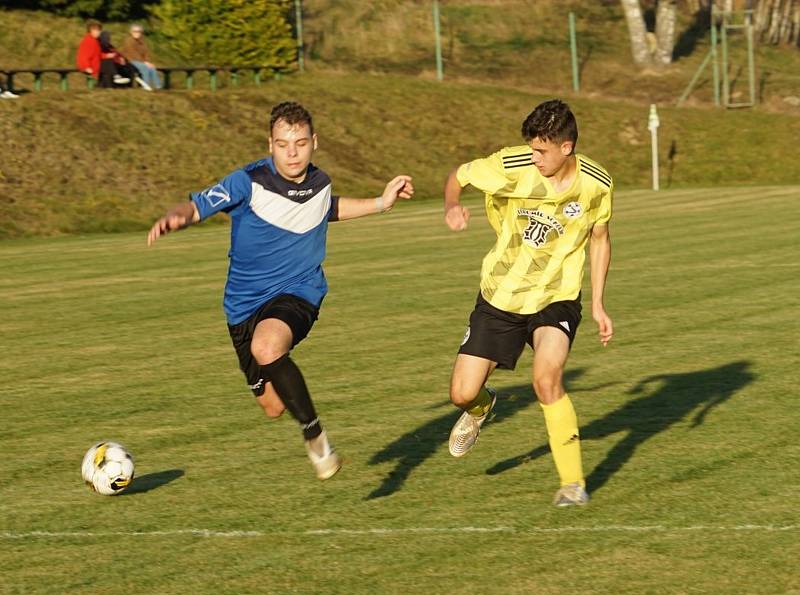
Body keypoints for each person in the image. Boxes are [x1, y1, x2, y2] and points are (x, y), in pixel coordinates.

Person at [147, 101, 414, 480]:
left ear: (314, 142)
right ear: (269, 143)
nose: (292, 153)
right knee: (272, 406)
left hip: (299, 292)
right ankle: (296, 412)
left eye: (301, 143)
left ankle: (317, 439)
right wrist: (179, 216)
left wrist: (380, 203)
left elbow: (325, 207)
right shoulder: (247, 181)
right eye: (283, 144)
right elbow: (198, 206)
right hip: (241, 307)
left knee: (267, 347)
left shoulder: (320, 183)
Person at [442, 99, 613, 507]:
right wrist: (451, 205)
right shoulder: (510, 165)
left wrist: (599, 304)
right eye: (532, 149)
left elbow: (601, 239)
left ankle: (573, 485)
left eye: (542, 151)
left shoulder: (596, 183)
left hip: (557, 297)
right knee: (462, 394)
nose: (534, 157)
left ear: (566, 147)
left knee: (546, 379)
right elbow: (459, 176)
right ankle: (482, 407)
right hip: (500, 293)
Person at [121, 24, 162, 90]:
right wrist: (144, 62)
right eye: (135, 31)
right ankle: (146, 85)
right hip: (131, 60)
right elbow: (133, 54)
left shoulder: (142, 41)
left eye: (139, 31)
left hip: (141, 61)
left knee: (152, 68)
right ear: (131, 32)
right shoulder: (128, 41)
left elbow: (146, 53)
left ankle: (158, 86)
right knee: (145, 68)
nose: (137, 33)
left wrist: (147, 61)